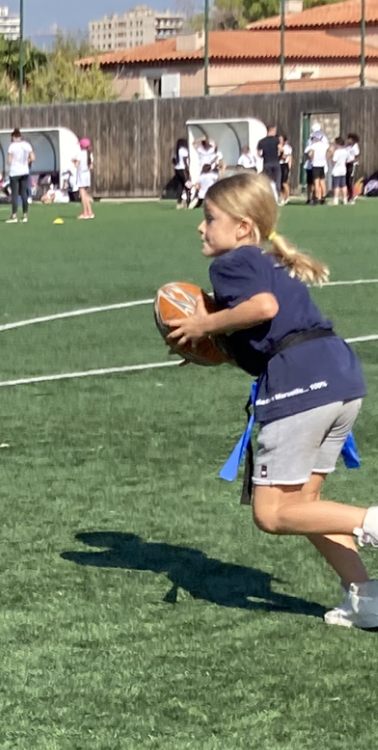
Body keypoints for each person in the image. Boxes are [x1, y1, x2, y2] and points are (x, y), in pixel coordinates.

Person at [164, 172, 371, 629]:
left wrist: (203, 326)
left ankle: (373, 522)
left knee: (272, 513)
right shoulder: (268, 262)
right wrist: (217, 347)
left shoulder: (231, 263)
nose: (201, 227)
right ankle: (367, 600)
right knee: (305, 505)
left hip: (301, 382)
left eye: (210, 218)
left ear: (243, 228)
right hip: (340, 375)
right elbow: (268, 335)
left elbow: (263, 309)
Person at [6, 128, 34, 224]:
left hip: (15, 172)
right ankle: (25, 215)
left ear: (14, 137)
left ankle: (14, 215)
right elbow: (33, 158)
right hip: (25, 171)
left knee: (15, 194)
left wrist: (13, 161)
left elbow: (9, 161)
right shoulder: (27, 145)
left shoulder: (12, 146)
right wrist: (26, 162)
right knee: (23, 193)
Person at [257, 126, 282, 204]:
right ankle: (277, 197)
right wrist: (279, 156)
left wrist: (264, 156)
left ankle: (268, 196)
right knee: (277, 180)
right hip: (275, 162)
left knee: (267, 180)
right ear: (271, 131)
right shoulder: (276, 140)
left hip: (267, 163)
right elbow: (281, 149)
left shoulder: (261, 141)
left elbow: (259, 153)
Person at [306, 129, 330, 205]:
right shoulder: (324, 145)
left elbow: (310, 154)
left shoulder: (314, 145)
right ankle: (323, 196)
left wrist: (311, 159)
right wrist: (326, 158)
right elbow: (330, 151)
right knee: (322, 181)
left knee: (316, 182)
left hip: (316, 164)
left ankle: (316, 198)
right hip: (322, 164)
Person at [75, 138, 95, 220]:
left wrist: (74, 162)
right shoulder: (90, 154)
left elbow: (77, 165)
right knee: (85, 194)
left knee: (82, 195)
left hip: (81, 175)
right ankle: (90, 212)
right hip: (87, 175)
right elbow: (91, 166)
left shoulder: (80, 153)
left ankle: (85, 213)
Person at [330, 137, 350, 206]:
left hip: (336, 170)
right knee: (344, 185)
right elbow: (347, 160)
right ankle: (345, 199)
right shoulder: (345, 151)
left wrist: (331, 156)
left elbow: (334, 161)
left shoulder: (337, 152)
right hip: (343, 169)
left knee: (336, 186)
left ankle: (336, 200)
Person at [173, 138, 191, 208]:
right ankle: (188, 201)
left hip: (177, 169)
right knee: (188, 185)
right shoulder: (184, 150)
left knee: (180, 186)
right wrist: (188, 171)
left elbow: (174, 160)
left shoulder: (177, 151)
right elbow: (185, 161)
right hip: (183, 169)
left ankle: (179, 202)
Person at [345, 133, 360, 205]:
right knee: (346, 180)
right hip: (346, 164)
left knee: (350, 180)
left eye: (350, 139)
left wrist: (350, 161)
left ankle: (352, 196)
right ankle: (348, 195)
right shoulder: (347, 146)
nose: (348, 140)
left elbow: (356, 157)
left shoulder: (355, 147)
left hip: (351, 165)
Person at [280, 135, 294, 203]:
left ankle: (287, 197)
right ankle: (282, 197)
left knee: (284, 182)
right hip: (279, 165)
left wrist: (279, 153)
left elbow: (285, 157)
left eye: (281, 139)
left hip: (284, 165)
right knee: (280, 183)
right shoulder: (280, 146)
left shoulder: (286, 147)